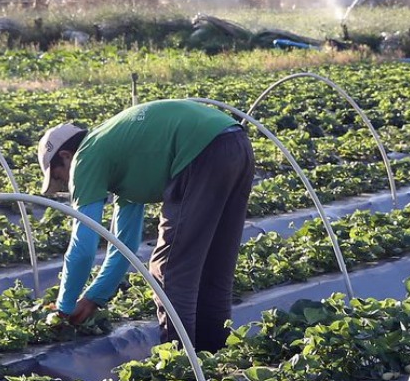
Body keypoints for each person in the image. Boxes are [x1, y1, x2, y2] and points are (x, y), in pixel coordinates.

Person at [37, 99, 255, 353]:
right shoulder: (118, 153)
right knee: (214, 265)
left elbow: (84, 246)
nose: (65, 185)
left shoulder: (87, 156)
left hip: (201, 150)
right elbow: (124, 246)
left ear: (66, 156)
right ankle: (213, 358)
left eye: (59, 177)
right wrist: (94, 297)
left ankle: (181, 366)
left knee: (169, 269)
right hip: (235, 142)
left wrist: (63, 308)